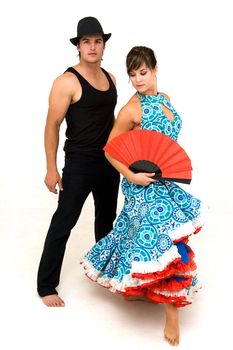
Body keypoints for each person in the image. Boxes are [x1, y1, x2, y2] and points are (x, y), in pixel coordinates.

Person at [80, 46, 205, 346]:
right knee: (162, 242)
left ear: (155, 69)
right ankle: (171, 317)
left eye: (143, 73)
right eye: (132, 75)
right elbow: (110, 149)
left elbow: (165, 143)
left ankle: (142, 287)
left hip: (165, 181)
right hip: (140, 185)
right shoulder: (131, 110)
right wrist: (132, 175)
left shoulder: (166, 100)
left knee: (144, 239)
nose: (137, 80)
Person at [37, 17, 120, 307]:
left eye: (98, 41)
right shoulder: (67, 81)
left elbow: (110, 121)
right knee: (64, 221)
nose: (93, 46)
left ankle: (107, 276)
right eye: (87, 41)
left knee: (106, 222)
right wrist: (51, 168)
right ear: (79, 46)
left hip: (109, 161)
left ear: (104, 45)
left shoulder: (111, 78)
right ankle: (46, 286)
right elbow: (52, 125)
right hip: (80, 162)